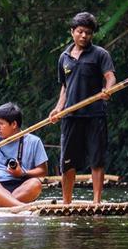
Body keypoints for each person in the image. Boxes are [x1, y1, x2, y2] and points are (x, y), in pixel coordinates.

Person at [49, 12, 116, 204]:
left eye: (88, 32)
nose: (84, 36)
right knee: (67, 162)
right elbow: (65, 87)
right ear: (72, 32)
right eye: (80, 32)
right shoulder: (64, 57)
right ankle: (66, 202)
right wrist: (58, 108)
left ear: (92, 34)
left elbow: (110, 77)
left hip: (95, 114)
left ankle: (96, 202)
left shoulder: (100, 54)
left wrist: (107, 91)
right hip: (71, 115)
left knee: (97, 158)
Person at [0, 102, 48, 207]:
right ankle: (20, 207)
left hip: (20, 186)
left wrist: (22, 173)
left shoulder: (34, 141)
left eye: (1, 124)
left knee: (36, 184)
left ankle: (0, 206)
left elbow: (43, 171)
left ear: (14, 124)